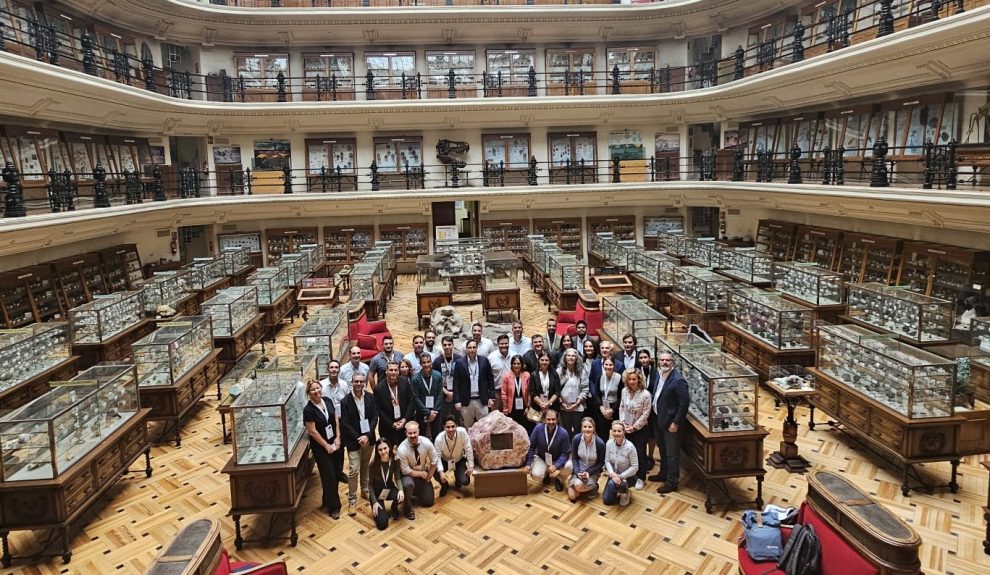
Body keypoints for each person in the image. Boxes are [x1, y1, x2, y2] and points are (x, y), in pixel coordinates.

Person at [339, 373, 378, 516]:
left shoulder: (371, 398)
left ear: (365, 383)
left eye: (361, 381)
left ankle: (365, 490)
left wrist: (367, 436)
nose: (359, 384)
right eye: (356, 381)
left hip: (369, 439)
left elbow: (375, 418)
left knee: (365, 465)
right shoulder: (345, 402)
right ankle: (352, 499)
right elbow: (345, 423)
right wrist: (359, 438)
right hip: (354, 441)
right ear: (352, 382)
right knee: (354, 469)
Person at [303, 379, 342, 518]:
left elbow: (335, 419)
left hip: (334, 443)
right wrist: (326, 446)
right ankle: (335, 507)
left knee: (336, 473)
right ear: (309, 393)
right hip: (321, 448)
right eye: (312, 390)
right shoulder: (308, 410)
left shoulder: (328, 400)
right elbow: (312, 431)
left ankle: (327, 500)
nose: (316, 391)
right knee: (328, 475)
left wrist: (337, 438)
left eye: (317, 388)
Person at [651, 352, 689, 494]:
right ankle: (663, 473)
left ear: (672, 362)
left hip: (670, 423)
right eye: (662, 360)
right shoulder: (659, 374)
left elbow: (684, 403)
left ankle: (672, 482)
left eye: (668, 360)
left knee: (672, 454)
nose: (665, 362)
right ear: (658, 361)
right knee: (662, 448)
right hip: (658, 419)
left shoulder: (678, 380)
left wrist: (676, 422)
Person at [396, 421, 441, 518]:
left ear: (419, 431)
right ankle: (407, 508)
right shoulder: (402, 449)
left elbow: (434, 459)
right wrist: (421, 474)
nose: (412, 435)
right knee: (408, 484)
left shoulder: (426, 442)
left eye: (414, 432)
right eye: (410, 433)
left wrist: (430, 475)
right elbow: (405, 470)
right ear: (406, 433)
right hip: (408, 476)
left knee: (428, 502)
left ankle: (413, 492)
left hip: (423, 474)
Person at [618, 368, 651, 491]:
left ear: (639, 380)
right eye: (629, 379)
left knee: (640, 453)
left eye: (634, 379)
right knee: (627, 453)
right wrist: (623, 424)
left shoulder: (645, 394)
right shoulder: (624, 391)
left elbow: (646, 413)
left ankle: (641, 477)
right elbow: (621, 407)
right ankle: (630, 475)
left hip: (640, 430)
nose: (631, 381)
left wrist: (634, 427)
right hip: (626, 428)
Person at [524, 409, 572, 491]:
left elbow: (565, 454)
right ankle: (546, 473)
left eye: (553, 419)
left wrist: (556, 465)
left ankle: (559, 479)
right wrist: (528, 464)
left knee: (570, 466)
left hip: (557, 459)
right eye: (548, 419)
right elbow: (531, 447)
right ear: (544, 419)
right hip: (542, 458)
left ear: (557, 419)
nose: (551, 422)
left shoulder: (563, 433)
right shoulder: (538, 429)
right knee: (536, 475)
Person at [320, 359, 350, 482]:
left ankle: (339, 471)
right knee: (330, 446)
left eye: (336, 368)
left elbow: (348, 401)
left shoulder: (344, 384)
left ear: (339, 370)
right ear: (328, 370)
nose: (334, 370)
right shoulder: (322, 386)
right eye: (331, 367)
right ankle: (331, 471)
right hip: (328, 422)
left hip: (342, 421)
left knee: (341, 447)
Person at [452, 339, 495, 428]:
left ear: (477, 348)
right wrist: (457, 401)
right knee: (468, 427)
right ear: (466, 349)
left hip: (482, 400)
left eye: (474, 347)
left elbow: (490, 380)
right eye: (469, 348)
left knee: (484, 427)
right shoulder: (460, 363)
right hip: (466, 401)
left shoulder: (484, 361)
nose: (472, 349)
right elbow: (456, 383)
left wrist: (491, 397)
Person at [374, 362, 415, 447]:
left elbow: (411, 401)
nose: (393, 372)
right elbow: (378, 409)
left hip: (404, 424)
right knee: (388, 453)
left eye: (395, 370)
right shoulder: (379, 388)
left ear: (398, 371)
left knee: (406, 450)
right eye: (391, 370)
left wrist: (405, 419)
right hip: (387, 426)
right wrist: (391, 423)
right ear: (386, 371)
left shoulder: (405, 382)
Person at [368, 438, 404, 530]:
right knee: (382, 524)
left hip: (389, 489)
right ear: (377, 451)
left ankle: (394, 508)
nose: (383, 452)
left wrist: (401, 490)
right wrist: (375, 502)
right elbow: (370, 485)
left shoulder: (395, 460)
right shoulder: (373, 464)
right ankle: (378, 507)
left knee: (400, 496)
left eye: (385, 448)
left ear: (389, 448)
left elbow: (398, 478)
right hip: (377, 493)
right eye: (380, 449)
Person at [434, 415, 474, 495]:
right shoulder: (439, 438)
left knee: (465, 481)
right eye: (447, 427)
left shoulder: (462, 432)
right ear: (443, 427)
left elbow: (468, 449)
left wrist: (471, 466)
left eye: (453, 426)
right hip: (444, 461)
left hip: (459, 460)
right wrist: (441, 472)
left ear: (457, 426)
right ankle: (444, 485)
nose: (450, 429)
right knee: (434, 472)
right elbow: (437, 457)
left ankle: (458, 478)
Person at [568, 417, 605, 503]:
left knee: (577, 485)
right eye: (585, 427)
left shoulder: (599, 443)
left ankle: (594, 486)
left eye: (589, 427)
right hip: (579, 470)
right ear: (581, 428)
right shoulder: (576, 439)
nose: (587, 429)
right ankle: (580, 486)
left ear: (594, 428)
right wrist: (577, 472)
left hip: (593, 471)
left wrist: (588, 472)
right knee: (573, 497)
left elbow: (601, 463)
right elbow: (574, 458)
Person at [603, 420, 638, 507]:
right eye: (614, 431)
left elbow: (635, 467)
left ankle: (625, 491)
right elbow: (607, 461)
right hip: (614, 475)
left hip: (627, 477)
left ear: (624, 432)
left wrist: (621, 476)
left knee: (611, 485)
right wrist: (612, 474)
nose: (616, 433)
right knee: (607, 501)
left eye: (619, 431)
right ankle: (617, 488)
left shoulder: (630, 447)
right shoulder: (609, 443)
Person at [556, 348, 588, 437]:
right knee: (565, 430)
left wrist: (576, 404)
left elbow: (585, 389)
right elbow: (555, 389)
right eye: (569, 355)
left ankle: (576, 449)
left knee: (578, 430)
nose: (571, 357)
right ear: (565, 357)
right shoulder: (559, 371)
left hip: (577, 407)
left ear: (577, 358)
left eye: (573, 356)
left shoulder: (582, 371)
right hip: (563, 407)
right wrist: (562, 403)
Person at [589, 357, 622, 441]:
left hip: (615, 409)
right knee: (603, 435)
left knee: (616, 434)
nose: (608, 367)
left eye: (610, 365)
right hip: (602, 409)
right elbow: (597, 394)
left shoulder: (619, 378)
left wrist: (612, 410)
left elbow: (621, 396)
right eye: (606, 364)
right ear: (603, 366)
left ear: (614, 366)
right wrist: (601, 407)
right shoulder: (600, 377)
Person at [412, 353, 443, 439]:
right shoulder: (415, 379)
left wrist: (434, 411)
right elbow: (416, 397)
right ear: (420, 364)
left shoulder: (438, 375)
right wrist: (428, 412)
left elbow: (440, 394)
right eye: (424, 362)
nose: (426, 364)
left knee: (437, 435)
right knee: (421, 435)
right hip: (421, 411)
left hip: (436, 411)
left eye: (428, 362)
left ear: (431, 362)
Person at [432, 335, 460, 423]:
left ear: (453, 345)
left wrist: (453, 393)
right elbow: (436, 380)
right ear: (442, 346)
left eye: (449, 344)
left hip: (457, 393)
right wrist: (447, 393)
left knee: (457, 419)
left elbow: (462, 379)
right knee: (442, 419)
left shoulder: (459, 359)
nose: (447, 347)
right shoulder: (437, 361)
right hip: (443, 394)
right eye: (445, 345)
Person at [500, 355, 531, 431]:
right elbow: (504, 393)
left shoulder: (527, 375)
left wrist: (528, 407)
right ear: (511, 364)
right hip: (512, 408)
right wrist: (505, 408)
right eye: (514, 364)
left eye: (518, 363)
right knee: (512, 429)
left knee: (524, 428)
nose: (516, 366)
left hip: (524, 407)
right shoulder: (507, 376)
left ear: (522, 364)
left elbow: (530, 393)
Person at [529, 354, 561, 421]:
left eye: (546, 360)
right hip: (537, 407)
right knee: (538, 427)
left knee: (551, 425)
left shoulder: (554, 374)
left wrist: (548, 403)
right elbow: (532, 392)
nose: (544, 362)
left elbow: (557, 392)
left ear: (549, 361)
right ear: (538, 361)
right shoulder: (533, 374)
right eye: (542, 360)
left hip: (552, 406)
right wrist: (542, 404)